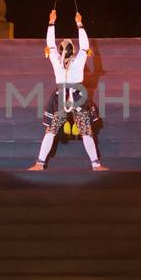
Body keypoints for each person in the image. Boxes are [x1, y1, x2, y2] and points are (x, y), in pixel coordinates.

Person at [30, 10, 104, 171]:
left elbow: (51, 44)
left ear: (61, 50)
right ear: (73, 50)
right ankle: (40, 163)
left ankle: (40, 163)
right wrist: (79, 23)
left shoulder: (58, 60)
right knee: (62, 130)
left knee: (76, 130)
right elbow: (84, 46)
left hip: (72, 96)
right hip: (70, 96)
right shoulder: (76, 61)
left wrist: (51, 22)